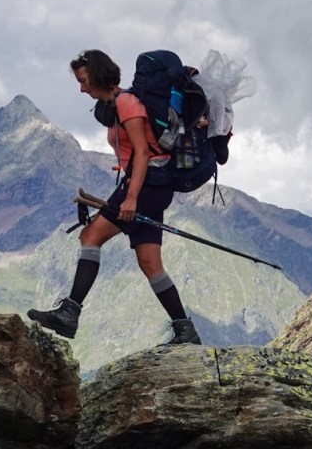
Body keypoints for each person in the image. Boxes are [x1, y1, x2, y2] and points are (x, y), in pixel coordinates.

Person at [27, 49, 202, 345]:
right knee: (149, 262)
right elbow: (143, 148)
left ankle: (70, 313)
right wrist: (124, 164)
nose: (81, 88)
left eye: (83, 81)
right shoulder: (120, 103)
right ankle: (186, 329)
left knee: (90, 237)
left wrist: (131, 197)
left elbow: (145, 152)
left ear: (96, 75)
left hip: (145, 185)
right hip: (154, 184)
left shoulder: (126, 103)